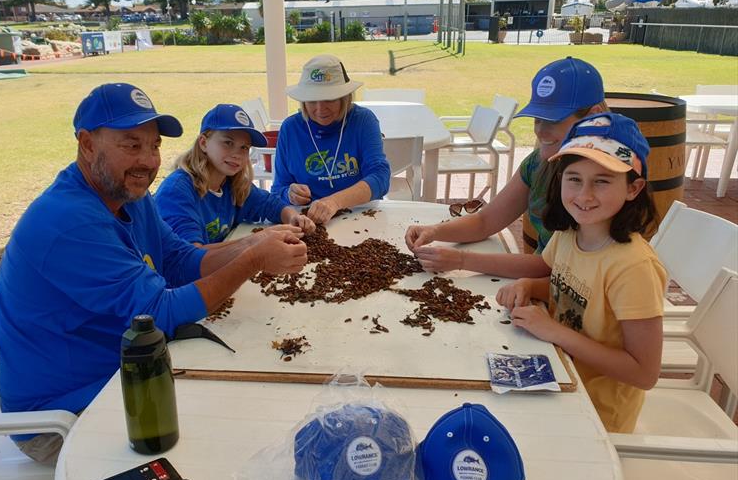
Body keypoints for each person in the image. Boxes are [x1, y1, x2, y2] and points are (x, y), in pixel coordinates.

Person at [0, 83, 308, 463]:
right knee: (228, 432)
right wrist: (254, 258)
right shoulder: (68, 221)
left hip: (124, 367)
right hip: (61, 412)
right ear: (87, 143)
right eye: (131, 144)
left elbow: (178, 260)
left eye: (155, 145)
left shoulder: (131, 196)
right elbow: (159, 312)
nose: (148, 160)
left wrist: (255, 244)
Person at [495, 113, 667, 433]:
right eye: (574, 178)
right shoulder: (570, 234)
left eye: (602, 181)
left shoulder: (633, 268)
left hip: (595, 417)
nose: (584, 195)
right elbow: (573, 290)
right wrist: (529, 285)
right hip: (558, 376)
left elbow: (645, 373)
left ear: (634, 188)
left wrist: (554, 332)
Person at [405, 57, 608, 278]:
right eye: (537, 120)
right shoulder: (537, 163)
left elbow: (553, 267)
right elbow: (487, 220)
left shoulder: (602, 184)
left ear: (593, 116)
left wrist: (461, 260)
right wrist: (434, 231)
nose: (540, 131)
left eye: (553, 120)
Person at [155, 103, 315, 246]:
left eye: (244, 147)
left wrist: (293, 217)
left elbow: (268, 204)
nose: (237, 154)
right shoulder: (177, 191)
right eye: (228, 143)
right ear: (203, 143)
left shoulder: (232, 183)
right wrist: (255, 242)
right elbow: (190, 259)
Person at [270, 54, 391, 225]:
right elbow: (277, 189)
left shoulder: (363, 120)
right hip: (309, 221)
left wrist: (334, 202)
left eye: (330, 98)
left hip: (360, 215)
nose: (320, 108)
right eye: (312, 100)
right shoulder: (290, 128)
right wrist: (289, 193)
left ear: (344, 97)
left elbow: (381, 177)